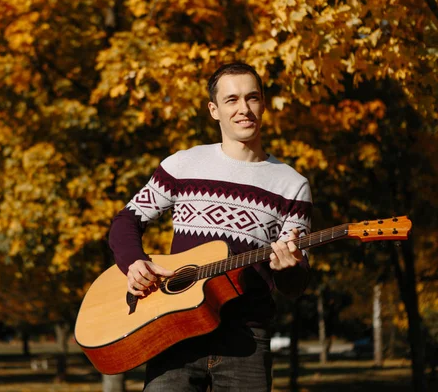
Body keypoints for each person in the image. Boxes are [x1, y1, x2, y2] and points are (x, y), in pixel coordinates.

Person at [108, 62, 312, 391]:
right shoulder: (183, 164)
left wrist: (288, 267)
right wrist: (134, 263)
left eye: (252, 98)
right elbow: (126, 221)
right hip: (176, 331)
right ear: (214, 110)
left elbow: (295, 283)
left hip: (246, 341)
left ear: (263, 103)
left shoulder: (292, 185)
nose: (243, 109)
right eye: (231, 100)